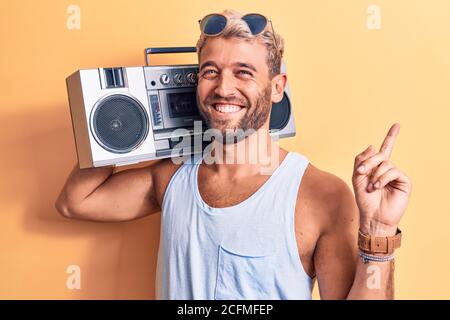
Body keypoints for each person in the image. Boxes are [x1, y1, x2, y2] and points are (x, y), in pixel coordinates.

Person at [55, 9, 412, 299]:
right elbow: (75, 202)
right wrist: (119, 123)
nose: (224, 88)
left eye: (244, 73)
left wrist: (379, 232)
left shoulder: (322, 196)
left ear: (276, 88)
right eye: (211, 72)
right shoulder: (172, 175)